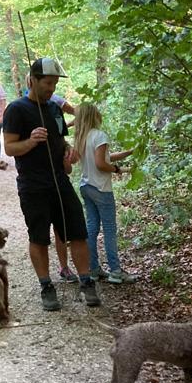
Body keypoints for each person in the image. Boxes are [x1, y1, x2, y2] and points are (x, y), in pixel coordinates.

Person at [3, 57, 101, 309]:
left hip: (60, 180)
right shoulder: (16, 109)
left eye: (55, 84)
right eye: (47, 83)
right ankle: (46, 285)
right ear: (33, 80)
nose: (51, 88)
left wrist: (68, 150)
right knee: (39, 237)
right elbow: (10, 148)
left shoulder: (55, 109)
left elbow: (60, 140)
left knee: (78, 231)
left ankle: (86, 282)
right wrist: (31, 141)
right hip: (33, 184)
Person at [74, 103, 136, 284]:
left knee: (92, 228)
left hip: (86, 186)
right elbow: (101, 164)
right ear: (94, 115)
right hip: (101, 188)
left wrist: (128, 153)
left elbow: (102, 157)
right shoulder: (99, 135)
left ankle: (93, 269)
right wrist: (119, 170)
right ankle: (115, 271)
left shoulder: (81, 137)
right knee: (109, 230)